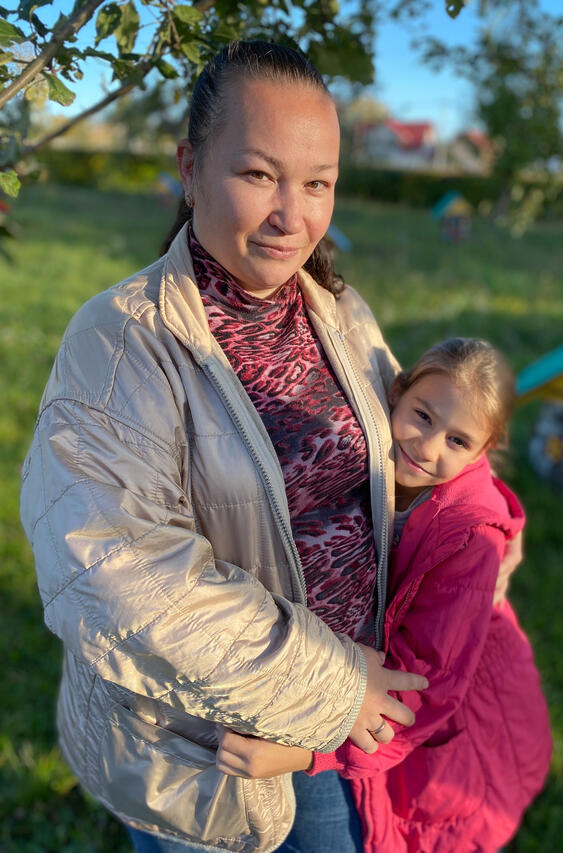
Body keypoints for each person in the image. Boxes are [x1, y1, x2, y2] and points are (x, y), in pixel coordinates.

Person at [20, 40, 431, 853]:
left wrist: (481, 528)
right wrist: (334, 687)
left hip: (340, 733)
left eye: (317, 184)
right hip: (207, 755)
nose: (292, 215)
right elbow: (119, 580)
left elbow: (412, 462)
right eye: (259, 174)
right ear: (190, 167)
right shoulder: (120, 342)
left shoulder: (339, 310)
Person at [216, 338, 552, 853]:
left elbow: (428, 686)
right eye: (423, 416)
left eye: (458, 440)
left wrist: (306, 757)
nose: (428, 447)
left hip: (457, 725)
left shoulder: (471, 539)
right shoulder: (379, 464)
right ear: (395, 392)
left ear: (485, 448)